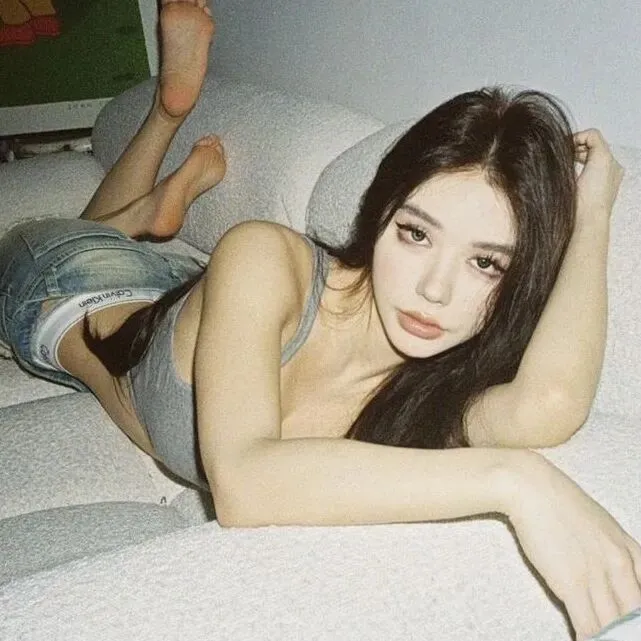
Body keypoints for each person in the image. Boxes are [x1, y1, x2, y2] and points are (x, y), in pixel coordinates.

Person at [0, 1, 638, 638]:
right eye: (416, 234)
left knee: (119, 246)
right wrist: (517, 480)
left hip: (184, 297)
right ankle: (162, 133)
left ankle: (149, 209)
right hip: (62, 287)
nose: (434, 290)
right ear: (381, 211)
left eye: (486, 263)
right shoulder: (260, 251)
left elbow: (552, 404)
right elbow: (245, 484)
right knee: (73, 235)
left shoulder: (439, 384)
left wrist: (592, 216)